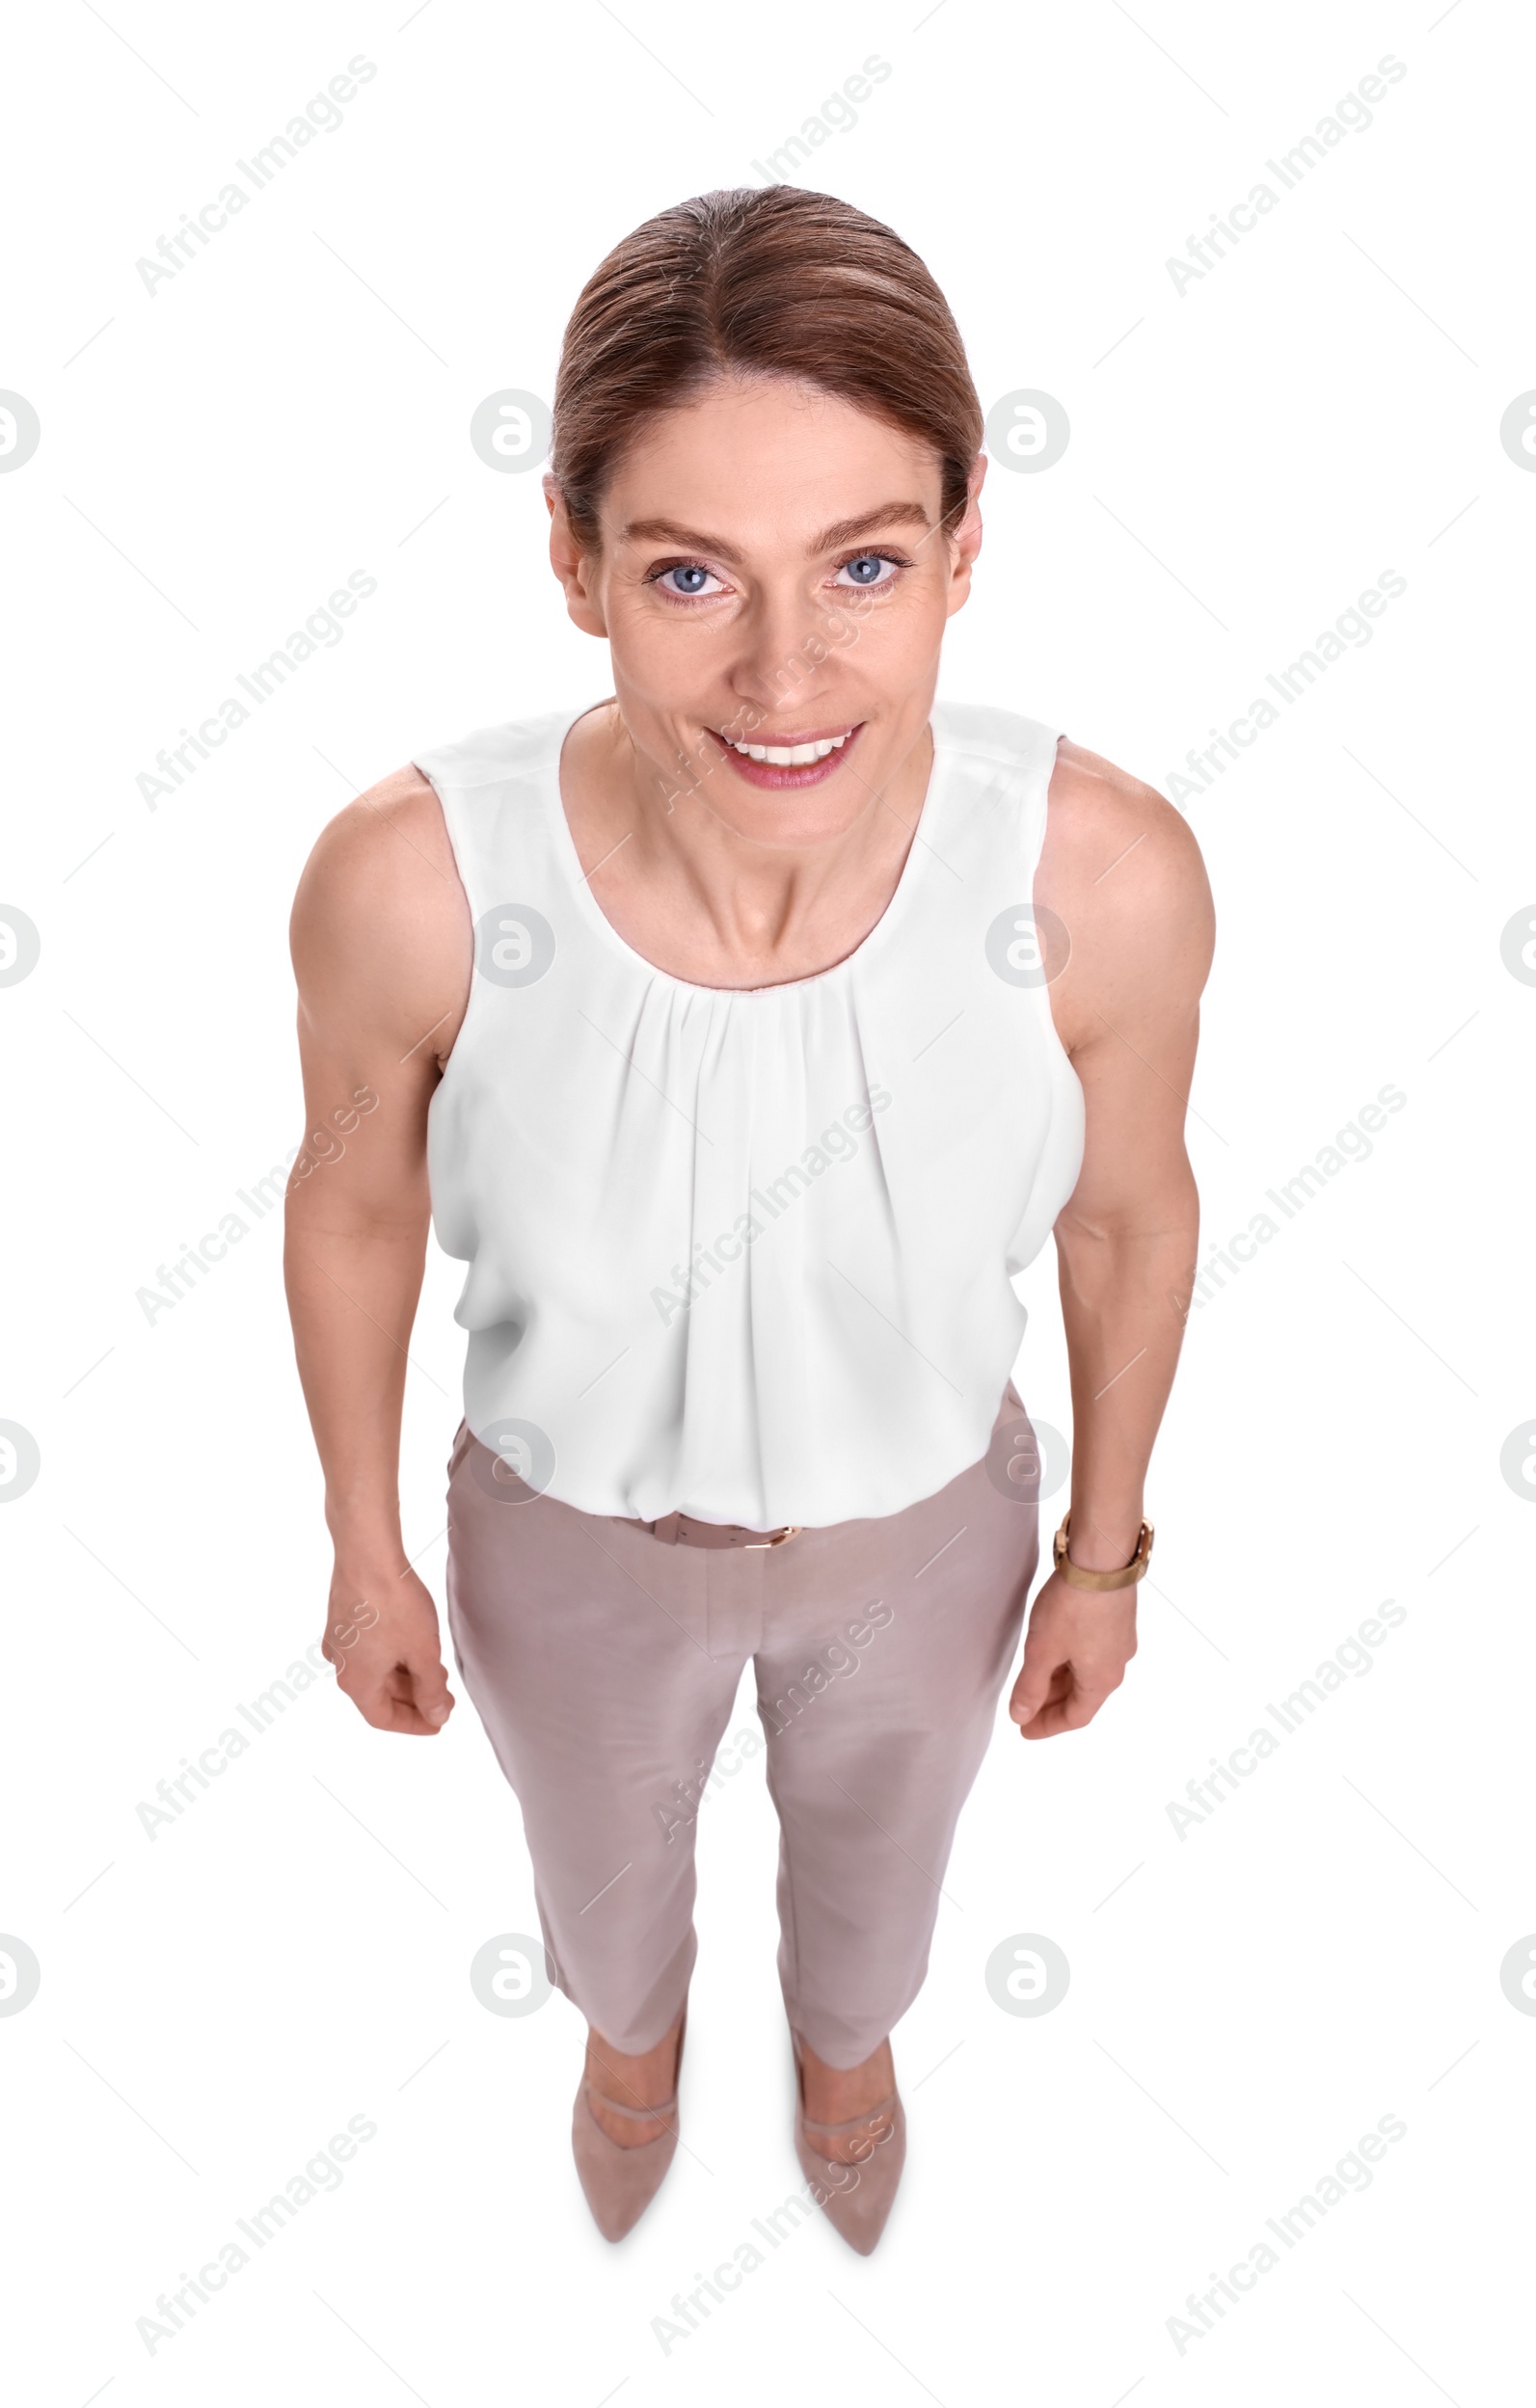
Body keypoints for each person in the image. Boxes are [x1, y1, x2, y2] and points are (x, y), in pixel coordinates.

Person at [283, 184, 1213, 2253]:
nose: (783, 672)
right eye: (689, 571)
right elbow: (350, 1204)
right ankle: (631, 2047)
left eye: (863, 564)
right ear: (570, 559)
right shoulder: (412, 878)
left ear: (967, 541)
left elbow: (1126, 1221)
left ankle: (844, 2048)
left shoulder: (1100, 876)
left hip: (925, 1537)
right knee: (599, 1888)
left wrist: (1103, 1551)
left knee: (877, 1883)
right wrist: (361, 1545)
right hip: (566, 1537)